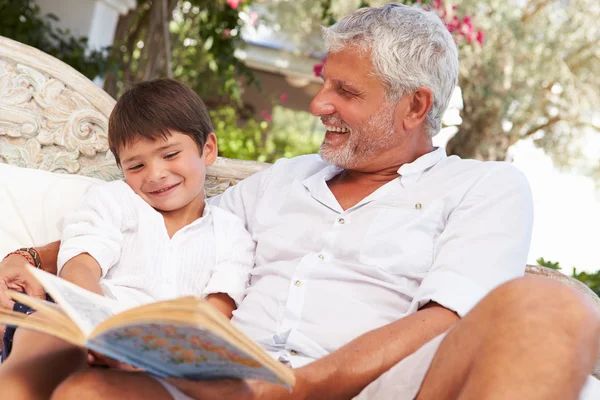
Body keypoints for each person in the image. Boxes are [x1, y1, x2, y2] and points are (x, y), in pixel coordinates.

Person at [1, 3, 599, 399]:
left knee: (555, 308)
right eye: (323, 82)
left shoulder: (483, 187)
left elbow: (445, 318)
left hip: (378, 389)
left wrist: (299, 385)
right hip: (232, 383)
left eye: (345, 91)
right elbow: (171, 227)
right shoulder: (282, 181)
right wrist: (32, 258)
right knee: (84, 384)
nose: (318, 103)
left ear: (415, 107)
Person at [0, 79, 255, 399]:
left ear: (208, 149)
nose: (156, 174)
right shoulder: (114, 200)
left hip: (164, 361)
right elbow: (80, 267)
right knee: (49, 331)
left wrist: (155, 357)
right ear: (121, 167)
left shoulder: (232, 234)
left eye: (170, 154)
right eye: (136, 165)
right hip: (89, 330)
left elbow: (217, 311)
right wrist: (98, 330)